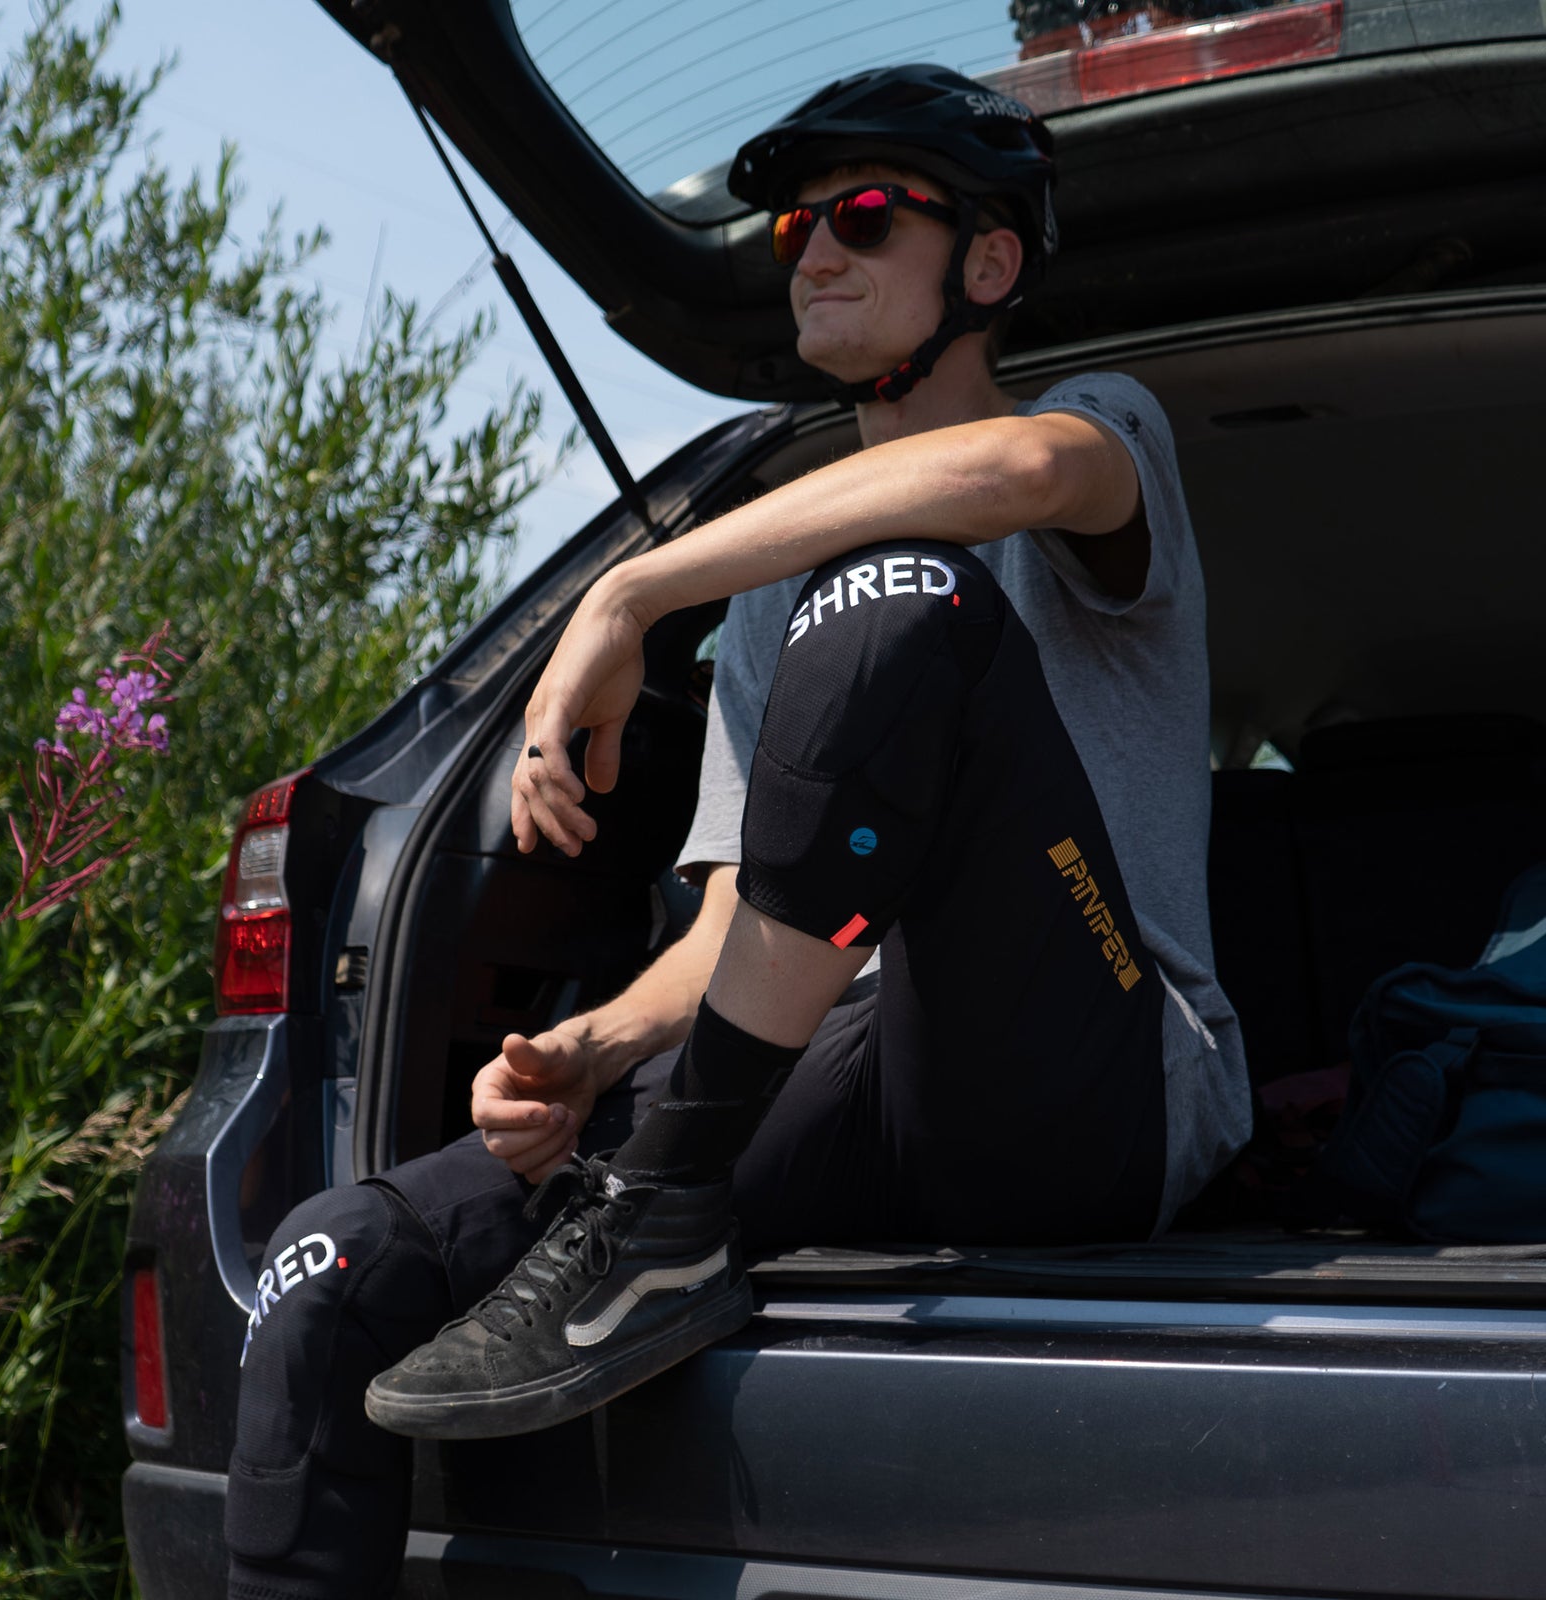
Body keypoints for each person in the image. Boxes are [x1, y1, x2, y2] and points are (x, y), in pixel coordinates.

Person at [223, 63, 1249, 1600]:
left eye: (863, 215)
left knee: (901, 596)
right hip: (832, 1064)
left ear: (988, 263)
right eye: (792, 227)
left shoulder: (1099, 433)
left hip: (1093, 1082)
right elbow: (732, 925)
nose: (811, 248)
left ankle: (661, 1216)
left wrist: (633, 590)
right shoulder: (780, 595)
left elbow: (1020, 475)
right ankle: (658, 1213)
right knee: (330, 1271)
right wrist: (588, 1053)